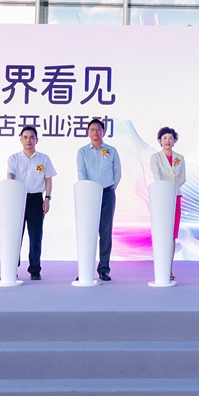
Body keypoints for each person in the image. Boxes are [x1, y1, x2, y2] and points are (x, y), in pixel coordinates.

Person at [7, 126, 56, 281]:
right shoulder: (14, 158)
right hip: (18, 200)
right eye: (25, 137)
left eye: (32, 137)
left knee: (35, 237)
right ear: (21, 139)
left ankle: (35, 269)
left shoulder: (44, 159)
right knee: (15, 236)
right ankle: (11, 268)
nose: (28, 140)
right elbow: (10, 176)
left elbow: (48, 180)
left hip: (36, 200)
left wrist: (47, 198)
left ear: (37, 140)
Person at [77, 118, 121, 281]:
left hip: (107, 194)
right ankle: (85, 270)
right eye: (92, 129)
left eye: (98, 129)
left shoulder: (112, 151)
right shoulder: (82, 152)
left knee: (105, 232)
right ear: (88, 133)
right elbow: (81, 172)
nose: (95, 132)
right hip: (88, 195)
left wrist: (109, 189)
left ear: (104, 132)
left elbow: (117, 173)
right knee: (87, 232)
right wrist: (88, 192)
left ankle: (103, 269)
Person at [149, 127, 186, 280]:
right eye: (164, 138)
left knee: (171, 235)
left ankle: (169, 269)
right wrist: (166, 189)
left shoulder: (180, 157)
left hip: (175, 197)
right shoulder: (155, 157)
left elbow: (182, 179)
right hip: (161, 198)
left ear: (175, 140)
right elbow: (157, 176)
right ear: (159, 140)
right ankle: (161, 268)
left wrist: (173, 188)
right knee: (162, 233)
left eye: (170, 138)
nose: (167, 141)